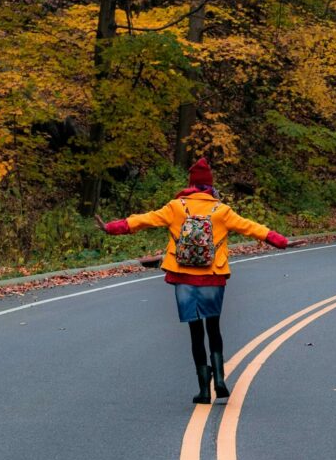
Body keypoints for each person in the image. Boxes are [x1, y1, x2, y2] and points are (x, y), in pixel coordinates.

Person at [96, 158, 304, 404]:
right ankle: (220, 380)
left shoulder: (176, 207)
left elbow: (144, 220)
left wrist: (111, 227)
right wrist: (282, 241)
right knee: (213, 328)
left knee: (196, 333)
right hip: (212, 276)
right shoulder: (222, 211)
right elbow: (251, 228)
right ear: (210, 186)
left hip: (183, 276)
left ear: (191, 184)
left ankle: (204, 390)